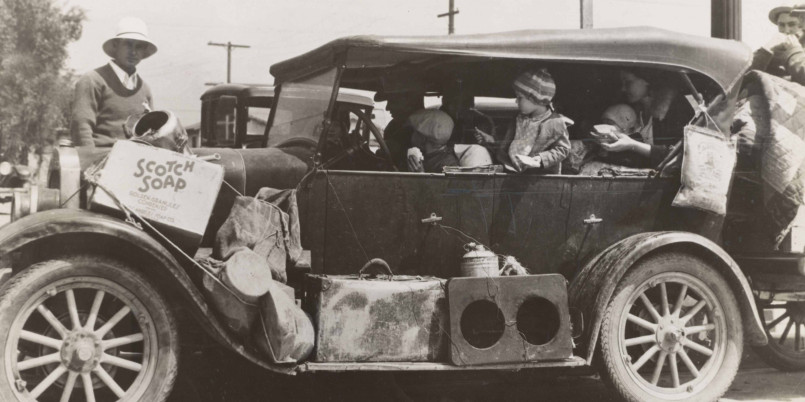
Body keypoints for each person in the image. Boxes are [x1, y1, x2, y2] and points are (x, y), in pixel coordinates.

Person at [71, 17, 157, 148]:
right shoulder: (92, 80)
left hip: (137, 161)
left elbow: (150, 133)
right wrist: (90, 162)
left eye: (139, 46)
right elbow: (81, 128)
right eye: (128, 44)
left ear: (144, 51)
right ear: (116, 46)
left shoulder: (145, 89)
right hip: (101, 161)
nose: (133, 52)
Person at [474, 68, 570, 173]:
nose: (516, 101)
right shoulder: (519, 118)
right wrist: (492, 140)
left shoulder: (555, 122)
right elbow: (511, 141)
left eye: (520, 97)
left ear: (535, 98)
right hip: (512, 169)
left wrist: (541, 159)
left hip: (537, 177)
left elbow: (562, 149)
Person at [594, 69, 685, 168]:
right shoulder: (631, 107)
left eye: (628, 82)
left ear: (646, 80)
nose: (623, 88)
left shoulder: (676, 107)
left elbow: (678, 155)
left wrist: (632, 145)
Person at [751, 3, 805, 83]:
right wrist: (766, 51)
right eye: (781, 25)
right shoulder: (777, 48)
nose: (786, 31)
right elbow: (746, 75)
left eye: (792, 24)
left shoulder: (795, 50)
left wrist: (793, 51)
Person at [379, 92, 423, 170]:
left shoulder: (423, 131)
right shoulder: (392, 126)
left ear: (410, 104)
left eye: (393, 102)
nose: (387, 107)